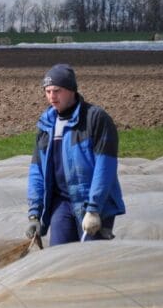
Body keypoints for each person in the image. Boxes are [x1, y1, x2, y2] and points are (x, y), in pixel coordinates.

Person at [27, 64, 124, 246]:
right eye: (47, 91)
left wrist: (94, 209)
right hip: (61, 203)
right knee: (60, 257)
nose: (51, 97)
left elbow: (105, 166)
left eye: (57, 91)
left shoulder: (95, 119)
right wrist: (34, 214)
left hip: (91, 203)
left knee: (91, 261)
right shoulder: (46, 124)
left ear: (71, 89)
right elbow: (37, 171)